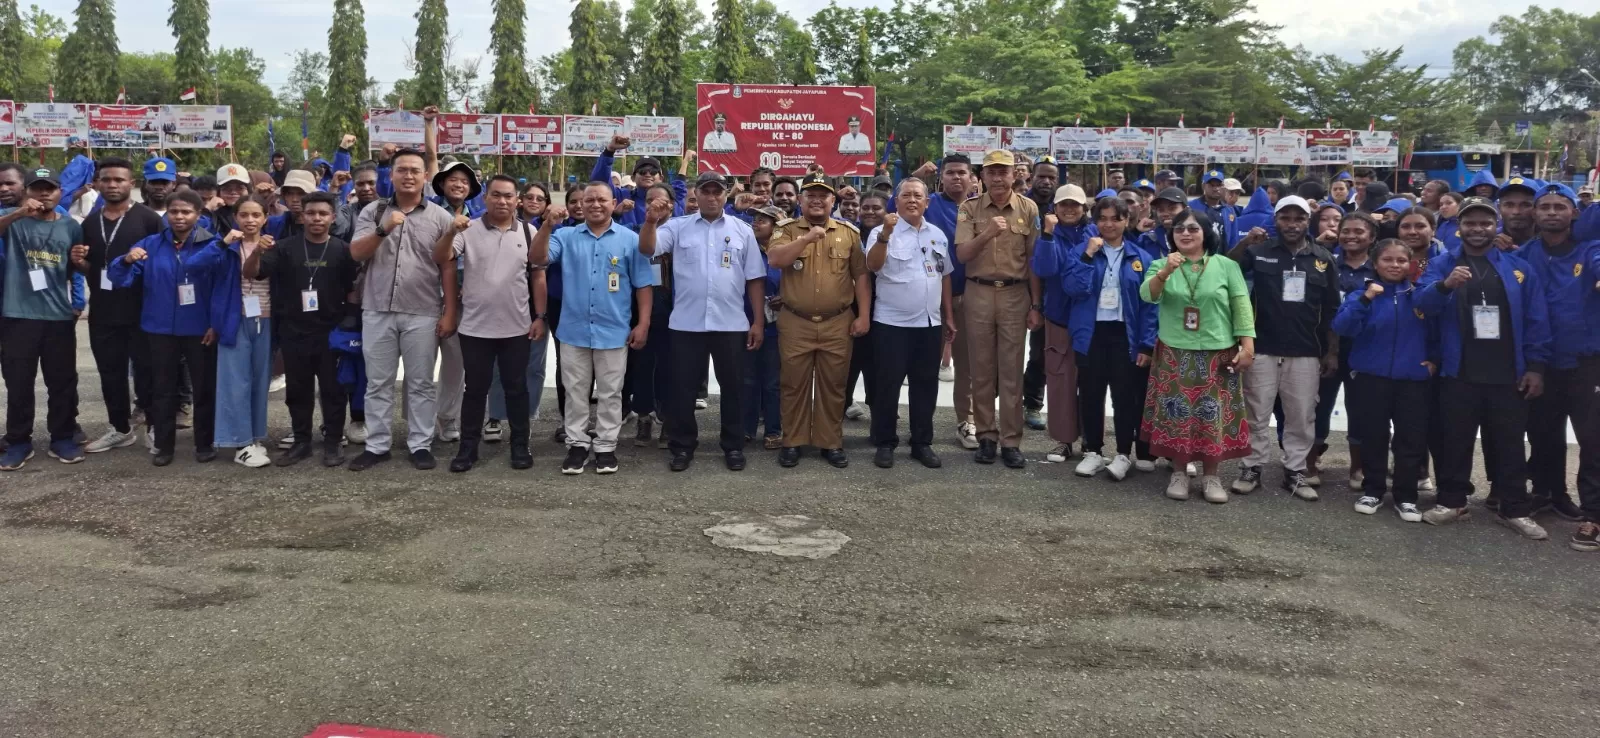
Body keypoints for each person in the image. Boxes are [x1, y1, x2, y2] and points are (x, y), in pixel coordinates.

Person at [1416, 196, 1550, 539]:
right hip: (1459, 371)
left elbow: (1536, 320)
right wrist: (1445, 285)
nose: (1478, 229)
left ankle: (1515, 508)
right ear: (1459, 228)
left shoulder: (1518, 268)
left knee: (1509, 442)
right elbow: (1422, 304)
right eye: (1470, 223)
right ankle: (1453, 501)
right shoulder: (1442, 264)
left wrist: (1535, 366)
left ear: (1496, 227)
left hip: (1507, 372)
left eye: (1485, 223)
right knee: (1454, 440)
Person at [639, 172, 766, 471]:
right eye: (705, 191)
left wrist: (757, 321)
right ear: (698, 194)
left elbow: (755, 280)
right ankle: (682, 446)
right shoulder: (677, 227)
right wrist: (650, 221)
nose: (711, 197)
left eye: (717, 192)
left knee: (733, 388)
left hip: (730, 325)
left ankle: (733, 446)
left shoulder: (742, 230)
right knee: (681, 389)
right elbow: (647, 249)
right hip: (686, 324)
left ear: (726, 195)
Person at [347, 148, 458, 471]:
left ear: (426, 177)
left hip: (422, 309)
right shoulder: (372, 211)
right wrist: (383, 229)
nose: (408, 176)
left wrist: (449, 311)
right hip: (378, 307)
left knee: (421, 381)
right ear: (391, 175)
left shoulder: (440, 217)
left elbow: (448, 268)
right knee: (378, 381)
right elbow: (356, 253)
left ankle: (420, 443)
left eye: (414, 170)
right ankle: (377, 443)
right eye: (402, 170)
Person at [107, 191, 232, 467]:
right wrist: (126, 260)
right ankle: (164, 445)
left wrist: (215, 323)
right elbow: (119, 278)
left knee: (203, 388)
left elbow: (222, 288)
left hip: (200, 327)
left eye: (186, 212)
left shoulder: (212, 245)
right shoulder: (151, 244)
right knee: (162, 389)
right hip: (159, 327)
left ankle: (204, 443)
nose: (178, 217)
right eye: (174, 211)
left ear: (199, 215)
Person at [1227, 196, 1341, 501]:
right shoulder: (1259, 252)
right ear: (1275, 220)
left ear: (1308, 222)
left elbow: (1332, 309)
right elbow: (1226, 266)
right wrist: (1245, 241)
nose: (1292, 224)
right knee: (1256, 411)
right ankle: (1252, 467)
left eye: (1299, 219)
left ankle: (1295, 470)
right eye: (1285, 218)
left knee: (1301, 414)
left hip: (1306, 350)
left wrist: (1331, 351)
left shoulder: (1323, 258)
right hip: (1262, 347)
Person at [1139, 209, 1255, 502]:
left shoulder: (1226, 265)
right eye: (1179, 229)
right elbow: (1147, 295)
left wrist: (1248, 346)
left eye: (1193, 228)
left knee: (1211, 415)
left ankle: (1211, 477)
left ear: (1206, 233)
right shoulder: (1159, 264)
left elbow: (1241, 305)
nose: (1186, 233)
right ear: (1171, 235)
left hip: (1217, 352)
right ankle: (1178, 472)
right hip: (1174, 352)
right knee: (1176, 412)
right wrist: (1166, 271)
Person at [440, 175, 545, 473]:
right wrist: (451, 231)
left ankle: (520, 446)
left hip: (517, 328)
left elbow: (538, 276)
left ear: (517, 200)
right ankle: (468, 449)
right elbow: (442, 256)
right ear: (485, 198)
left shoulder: (529, 231)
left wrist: (540, 316)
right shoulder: (467, 228)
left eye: (508, 196)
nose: (502, 201)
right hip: (475, 329)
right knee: (474, 390)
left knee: (517, 388)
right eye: (496, 195)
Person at [765, 174, 870, 468]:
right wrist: (807, 238)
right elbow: (775, 259)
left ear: (832, 201)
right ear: (800, 200)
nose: (816, 199)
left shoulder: (849, 233)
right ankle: (793, 441)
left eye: (823, 195)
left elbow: (860, 276)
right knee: (793, 384)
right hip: (796, 321)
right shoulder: (786, 229)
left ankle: (830, 442)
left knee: (833, 385)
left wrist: (863, 315)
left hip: (837, 321)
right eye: (810, 194)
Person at [1332, 239, 1437, 521]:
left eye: (1401, 261)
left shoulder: (1420, 296)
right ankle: (1373, 490)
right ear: (1375, 264)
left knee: (1410, 439)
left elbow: (1437, 330)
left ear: (1410, 264)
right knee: (1373, 436)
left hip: (1412, 379)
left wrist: (1434, 360)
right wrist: (1367, 298)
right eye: (1387, 260)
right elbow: (1342, 327)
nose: (1394, 265)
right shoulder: (1360, 295)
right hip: (1371, 378)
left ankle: (1406, 496)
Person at [254, 192, 358, 467]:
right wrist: (257, 250)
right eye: (311, 213)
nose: (316, 218)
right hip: (293, 331)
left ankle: (333, 442)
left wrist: (348, 322)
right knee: (297, 391)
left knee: (333, 391)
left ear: (333, 218)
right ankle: (302, 442)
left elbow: (353, 290)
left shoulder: (343, 250)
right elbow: (256, 273)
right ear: (302, 217)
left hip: (331, 333)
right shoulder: (284, 247)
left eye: (323, 214)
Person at [1063, 196, 1159, 480]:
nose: (1108, 224)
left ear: (1126, 221)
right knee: (1091, 395)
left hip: (1124, 334)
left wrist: (1147, 344)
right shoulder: (1082, 250)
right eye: (1102, 219)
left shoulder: (1141, 257)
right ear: (1095, 222)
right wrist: (1087, 257)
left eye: (1115, 219)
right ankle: (1093, 450)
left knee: (1124, 397)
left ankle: (1122, 453)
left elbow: (1150, 305)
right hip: (1091, 333)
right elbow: (1073, 288)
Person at [955, 149, 1040, 468]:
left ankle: (1010, 440)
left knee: (1011, 370)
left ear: (1014, 174)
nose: (998, 176)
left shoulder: (1028, 208)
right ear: (983, 176)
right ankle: (986, 437)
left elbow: (1033, 262)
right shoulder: (969, 208)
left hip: (1015, 295)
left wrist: (1036, 304)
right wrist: (988, 232)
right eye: (992, 171)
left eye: (1004, 171)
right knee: (981, 368)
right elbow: (962, 255)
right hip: (978, 291)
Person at [0, 167, 89, 469]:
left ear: (60, 193)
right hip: (18, 315)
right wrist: (18, 213)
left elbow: (78, 267)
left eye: (50, 188)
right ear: (27, 191)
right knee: (19, 383)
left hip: (58, 317)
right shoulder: (14, 221)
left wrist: (78, 300)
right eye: (37, 188)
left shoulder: (70, 227)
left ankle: (62, 437)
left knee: (62, 382)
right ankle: (18, 441)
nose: (43, 194)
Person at [864, 178, 952, 468]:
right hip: (891, 324)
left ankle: (921, 442)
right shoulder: (880, 231)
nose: (912, 200)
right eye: (906, 195)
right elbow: (873, 266)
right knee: (887, 385)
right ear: (896, 201)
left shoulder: (937, 234)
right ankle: (885, 442)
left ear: (927, 202)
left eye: (918, 196)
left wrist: (948, 315)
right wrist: (886, 235)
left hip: (929, 324)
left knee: (925, 385)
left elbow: (945, 275)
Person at [1514, 182, 1588, 520]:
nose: (1552, 213)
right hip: (1539, 361)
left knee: (1591, 437)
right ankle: (1547, 492)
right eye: (1545, 207)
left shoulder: (1590, 250)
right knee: (1544, 433)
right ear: (1535, 213)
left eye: (1560, 207)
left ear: (1573, 212)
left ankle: (1590, 506)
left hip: (1584, 362)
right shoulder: (1522, 255)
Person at [80, 157, 164, 454]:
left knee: (147, 372)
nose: (112, 185)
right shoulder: (90, 221)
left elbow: (162, 263)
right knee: (110, 373)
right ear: (97, 183)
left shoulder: (149, 219)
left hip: (142, 309)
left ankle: (155, 428)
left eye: (119, 180)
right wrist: (79, 263)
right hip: (103, 310)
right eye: (106, 179)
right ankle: (120, 428)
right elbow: (89, 265)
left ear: (132, 184)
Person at [212, 198, 276, 468]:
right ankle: (239, 442)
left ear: (265, 217)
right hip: (235, 320)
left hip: (266, 319)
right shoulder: (227, 247)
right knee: (235, 382)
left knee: (261, 382)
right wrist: (223, 243)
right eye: (244, 215)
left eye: (256, 215)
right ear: (235, 217)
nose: (250, 220)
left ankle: (254, 436)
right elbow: (207, 276)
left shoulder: (274, 246)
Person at [1030, 184, 1090, 463]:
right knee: (1060, 381)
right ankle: (1063, 440)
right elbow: (1043, 269)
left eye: (1075, 205)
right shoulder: (1048, 234)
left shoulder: (1095, 233)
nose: (1069, 209)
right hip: (1058, 317)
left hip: (1090, 318)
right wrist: (1047, 234)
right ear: (1054, 208)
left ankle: (1092, 439)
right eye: (1063, 204)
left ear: (1084, 208)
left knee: (1092, 382)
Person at [923, 154, 980, 449]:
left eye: (962, 173)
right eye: (950, 173)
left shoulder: (981, 208)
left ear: (972, 178)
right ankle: (921, 427)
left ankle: (965, 422)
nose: (956, 178)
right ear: (941, 177)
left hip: (972, 297)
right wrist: (918, 176)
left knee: (967, 367)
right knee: (923, 366)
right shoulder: (928, 203)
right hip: (931, 297)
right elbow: (893, 207)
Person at [1021, 161, 1062, 430]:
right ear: (1031, 178)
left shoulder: (1063, 206)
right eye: (1041, 176)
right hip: (1017, 285)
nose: (1046, 181)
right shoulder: (1021, 205)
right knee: (1006, 352)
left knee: (1041, 353)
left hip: (1052, 290)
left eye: (1051, 177)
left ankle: (1033, 405)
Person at [743, 205, 785, 449]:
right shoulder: (747, 250)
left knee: (772, 382)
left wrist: (787, 295)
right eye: (755, 220)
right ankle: (746, 428)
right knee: (747, 380)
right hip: (746, 322)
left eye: (763, 220)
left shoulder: (787, 252)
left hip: (777, 328)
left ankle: (773, 429)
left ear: (777, 226)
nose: (756, 224)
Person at [844, 192, 888, 422]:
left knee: (876, 366)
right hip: (851, 307)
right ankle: (840, 410)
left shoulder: (895, 235)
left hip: (883, 310)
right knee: (848, 364)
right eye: (866, 207)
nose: (870, 212)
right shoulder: (850, 234)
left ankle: (879, 414)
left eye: (876, 208)